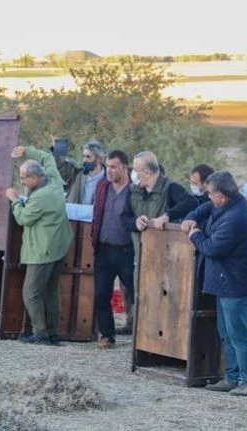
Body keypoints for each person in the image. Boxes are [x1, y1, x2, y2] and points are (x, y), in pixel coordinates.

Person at [181, 171, 247, 396]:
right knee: (226, 332)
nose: (208, 197)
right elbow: (206, 208)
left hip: (237, 284)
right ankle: (232, 377)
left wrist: (194, 234)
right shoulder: (227, 204)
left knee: (239, 334)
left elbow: (212, 248)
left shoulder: (236, 217)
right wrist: (192, 216)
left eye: (210, 194)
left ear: (222, 196)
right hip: (226, 282)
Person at [119, 151, 198, 333]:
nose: (133, 173)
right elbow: (123, 218)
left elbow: (191, 203)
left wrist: (167, 216)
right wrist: (135, 222)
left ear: (147, 172)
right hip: (142, 258)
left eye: (136, 169)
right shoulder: (133, 190)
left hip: (167, 260)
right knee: (143, 300)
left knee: (165, 302)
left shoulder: (170, 188)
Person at [5, 146, 73, 345]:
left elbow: (23, 218)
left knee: (31, 293)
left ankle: (41, 334)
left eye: (24, 178)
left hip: (42, 251)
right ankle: (52, 332)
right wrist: (27, 151)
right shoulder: (54, 181)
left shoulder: (41, 198)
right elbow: (47, 157)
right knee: (50, 291)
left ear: (35, 178)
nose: (22, 182)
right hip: (58, 247)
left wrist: (15, 200)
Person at [90, 149, 134, 349]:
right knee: (101, 294)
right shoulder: (102, 186)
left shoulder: (135, 190)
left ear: (125, 168)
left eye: (114, 167)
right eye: (108, 166)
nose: (109, 170)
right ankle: (107, 335)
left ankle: (142, 336)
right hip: (104, 249)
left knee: (135, 293)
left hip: (127, 251)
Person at [66, 140, 107, 205]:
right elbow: (61, 168)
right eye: (84, 156)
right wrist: (58, 148)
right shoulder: (78, 174)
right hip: (76, 211)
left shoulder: (108, 179)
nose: (84, 160)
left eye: (88, 157)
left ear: (99, 158)